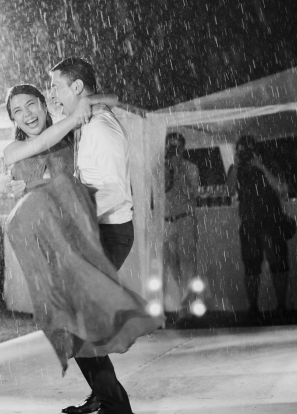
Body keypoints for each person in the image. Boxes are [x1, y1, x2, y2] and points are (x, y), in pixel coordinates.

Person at [49, 56, 155, 414]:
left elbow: (115, 192)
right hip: (97, 231)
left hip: (109, 233)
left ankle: (114, 405)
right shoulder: (87, 120)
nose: (52, 95)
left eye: (56, 87)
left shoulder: (101, 130)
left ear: (77, 87)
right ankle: (103, 395)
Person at [225, 135, 290, 319]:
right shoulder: (236, 168)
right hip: (248, 224)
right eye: (240, 150)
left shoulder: (269, 164)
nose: (244, 153)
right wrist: (237, 166)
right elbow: (228, 191)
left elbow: (282, 189)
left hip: (272, 221)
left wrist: (261, 166)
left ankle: (281, 306)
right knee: (251, 267)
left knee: (278, 265)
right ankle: (252, 307)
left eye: (248, 149)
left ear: (256, 150)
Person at [164, 132, 200, 319]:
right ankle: (181, 303)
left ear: (183, 149)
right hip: (167, 220)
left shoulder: (190, 168)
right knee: (172, 264)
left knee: (187, 262)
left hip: (185, 218)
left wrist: (179, 171)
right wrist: (169, 169)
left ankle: (189, 304)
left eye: (177, 147)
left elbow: (193, 194)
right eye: (171, 147)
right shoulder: (160, 168)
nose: (174, 150)